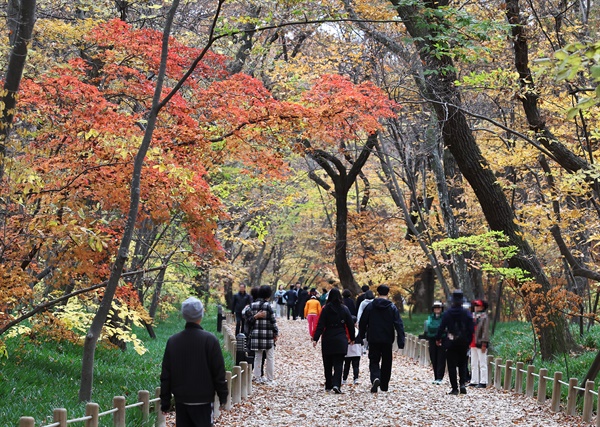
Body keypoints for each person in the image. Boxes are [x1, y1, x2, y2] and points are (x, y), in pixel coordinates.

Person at [160, 297, 228, 427]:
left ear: (183, 315)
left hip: (181, 400)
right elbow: (218, 371)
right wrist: (223, 395)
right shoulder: (210, 340)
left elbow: (166, 374)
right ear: (201, 314)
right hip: (204, 399)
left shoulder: (173, 341)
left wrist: (165, 402)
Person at [359, 284, 405, 393]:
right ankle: (384, 385)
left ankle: (375, 377)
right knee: (387, 361)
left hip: (373, 337)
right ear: (387, 293)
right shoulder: (392, 307)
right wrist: (401, 340)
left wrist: (361, 336)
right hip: (387, 338)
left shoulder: (370, 306)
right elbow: (398, 323)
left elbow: (363, 322)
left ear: (377, 293)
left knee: (374, 359)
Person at [313, 288, 355, 394]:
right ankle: (336, 384)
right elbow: (350, 324)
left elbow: (320, 324)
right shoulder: (344, 309)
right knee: (339, 362)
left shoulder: (326, 309)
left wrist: (316, 338)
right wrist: (352, 338)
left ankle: (328, 384)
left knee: (327, 362)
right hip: (341, 337)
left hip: (328, 337)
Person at [436, 289, 475, 395]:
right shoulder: (466, 313)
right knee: (463, 363)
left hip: (450, 341)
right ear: (462, 301)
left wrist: (438, 338)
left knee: (451, 365)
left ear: (452, 301)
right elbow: (471, 328)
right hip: (463, 342)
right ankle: (462, 383)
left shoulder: (448, 313)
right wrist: (468, 340)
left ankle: (454, 388)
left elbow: (442, 327)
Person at [248, 285, 279, 385]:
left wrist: (255, 317)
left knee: (258, 357)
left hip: (256, 335)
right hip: (268, 335)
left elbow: (248, 320)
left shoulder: (252, 305)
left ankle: (257, 377)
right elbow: (273, 321)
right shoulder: (269, 306)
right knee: (270, 357)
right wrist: (276, 333)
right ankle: (270, 379)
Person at [423, 301, 446, 385]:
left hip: (442, 339)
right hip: (432, 339)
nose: (437, 309)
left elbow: (442, 327)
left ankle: (440, 377)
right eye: (435, 308)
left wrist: (438, 331)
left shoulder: (444, 317)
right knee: (433, 357)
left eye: (439, 308)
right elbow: (429, 327)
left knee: (441, 358)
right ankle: (436, 376)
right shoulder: (431, 317)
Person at [469, 299, 490, 388]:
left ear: (482, 307)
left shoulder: (484, 317)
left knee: (482, 362)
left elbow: (485, 331)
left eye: (478, 306)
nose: (476, 307)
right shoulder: (472, 316)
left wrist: (484, 343)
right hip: (472, 342)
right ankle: (474, 380)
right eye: (475, 306)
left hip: (480, 343)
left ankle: (483, 381)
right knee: (473, 363)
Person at [343, 315, 362, 385]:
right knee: (356, 366)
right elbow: (361, 341)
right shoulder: (358, 331)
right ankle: (356, 378)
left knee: (346, 365)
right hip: (356, 351)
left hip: (348, 351)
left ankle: (344, 379)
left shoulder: (346, 331)